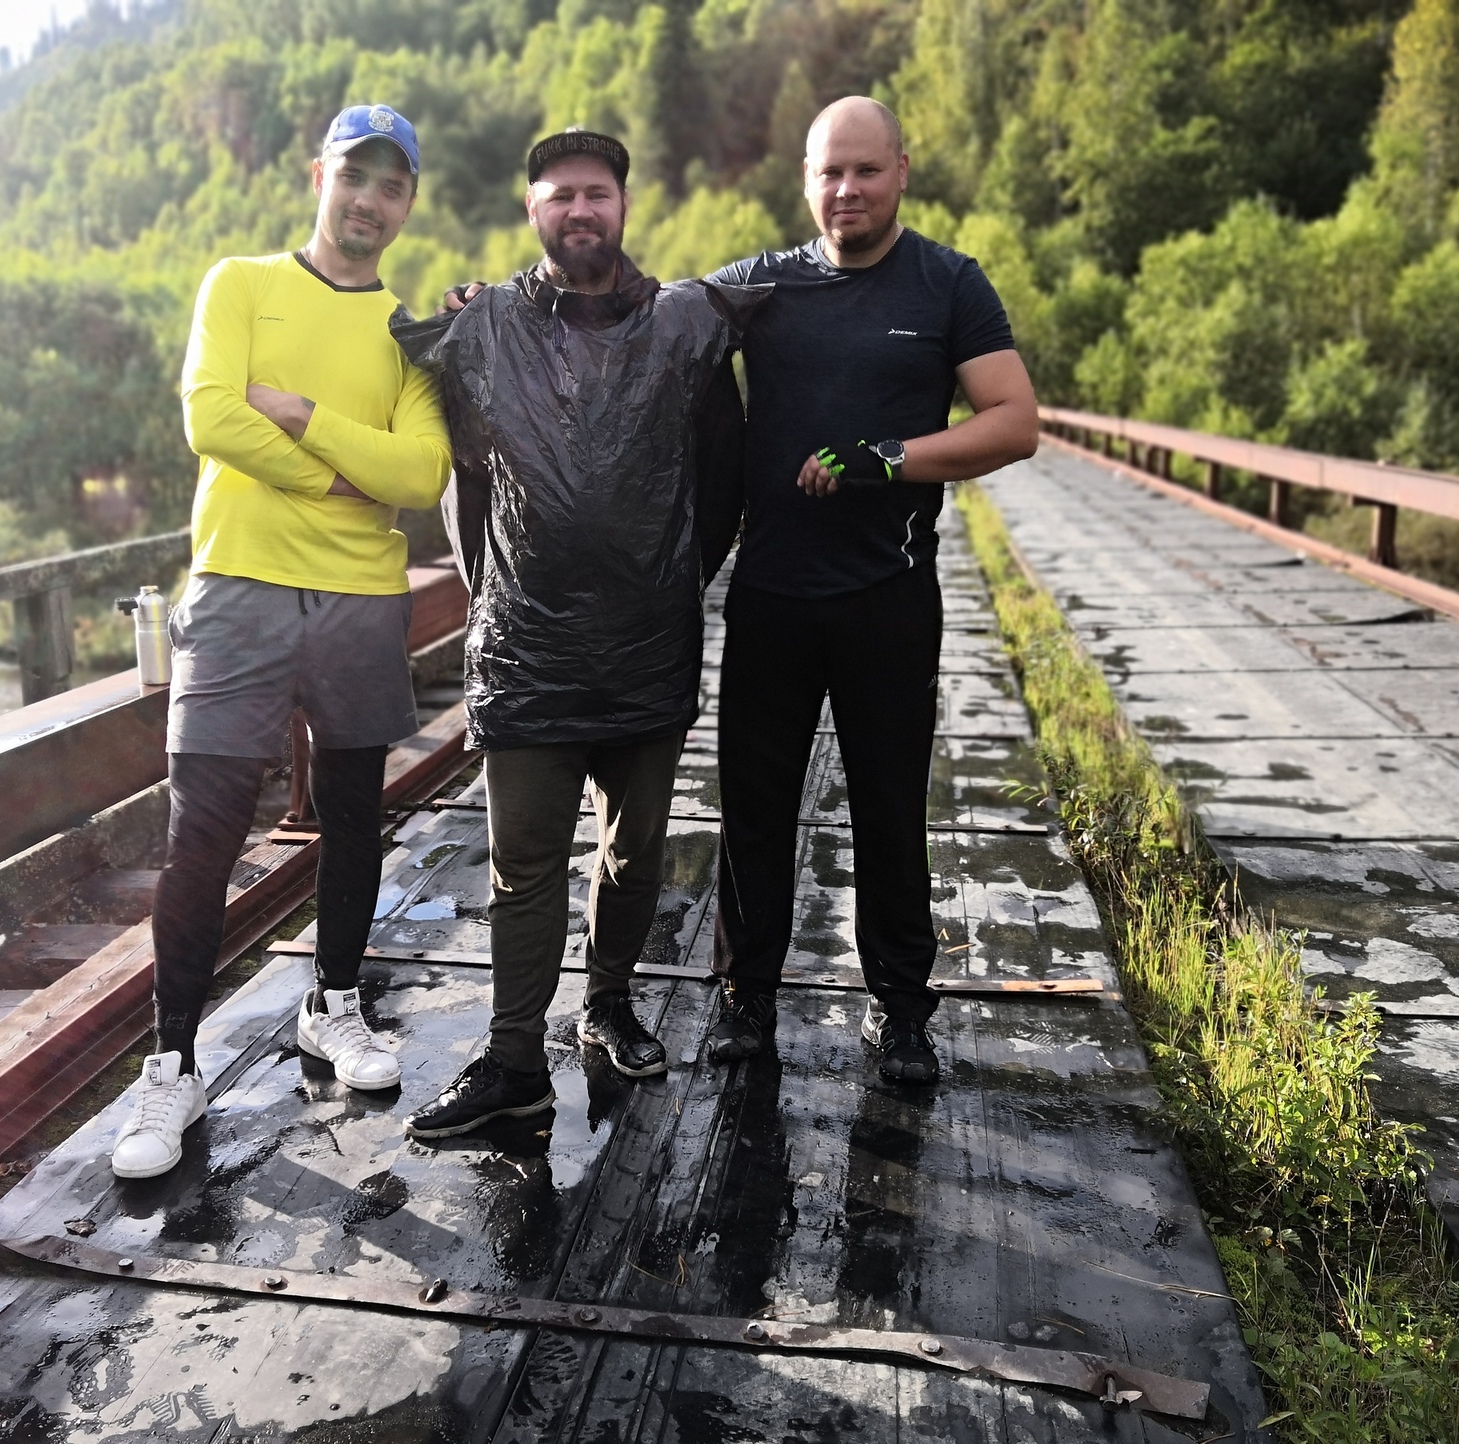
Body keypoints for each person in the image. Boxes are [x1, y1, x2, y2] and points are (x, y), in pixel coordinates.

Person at [396, 128, 760, 1139]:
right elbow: (461, 483)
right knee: (520, 866)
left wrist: (671, 582)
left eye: (594, 193)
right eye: (558, 196)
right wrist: (494, 595)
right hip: (526, 657)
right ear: (532, 213)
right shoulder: (487, 328)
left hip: (648, 644)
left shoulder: (683, 329)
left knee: (633, 854)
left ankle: (607, 1005)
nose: (578, 210)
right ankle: (511, 1056)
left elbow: (722, 479)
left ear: (623, 206)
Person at [112, 104, 452, 1179]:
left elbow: (420, 479)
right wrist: (342, 478)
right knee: (203, 828)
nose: (369, 200)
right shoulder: (241, 283)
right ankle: (171, 1064)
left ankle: (334, 1005)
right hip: (237, 587)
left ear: (407, 204)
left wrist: (300, 417)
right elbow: (211, 417)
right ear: (321, 176)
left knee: (357, 814)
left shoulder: (408, 335)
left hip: (358, 594)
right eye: (355, 175)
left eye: (391, 185)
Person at [704, 96, 1038, 1084]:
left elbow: (1012, 421)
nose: (844, 190)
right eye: (826, 173)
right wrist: (507, 305)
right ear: (803, 181)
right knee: (752, 810)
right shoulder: (759, 286)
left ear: (901, 168)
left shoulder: (945, 283)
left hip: (886, 596)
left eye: (864, 170)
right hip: (768, 592)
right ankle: (743, 1001)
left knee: (888, 808)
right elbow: (639, 320)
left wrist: (888, 458)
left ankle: (900, 1013)